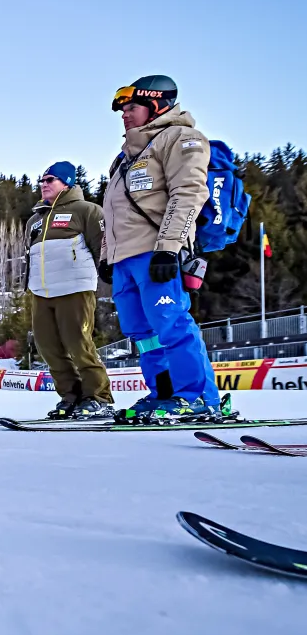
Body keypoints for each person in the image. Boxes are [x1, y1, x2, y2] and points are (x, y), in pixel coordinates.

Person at [102, 75, 221, 422]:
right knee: (143, 334)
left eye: (132, 107)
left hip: (156, 252)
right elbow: (112, 209)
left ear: (157, 106)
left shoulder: (181, 138)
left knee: (170, 323)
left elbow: (188, 195)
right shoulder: (124, 158)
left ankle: (198, 396)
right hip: (125, 259)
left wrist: (169, 249)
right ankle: (164, 393)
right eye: (122, 109)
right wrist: (107, 255)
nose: (125, 114)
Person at [25, 161, 114, 419]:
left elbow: (103, 248)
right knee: (48, 347)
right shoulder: (35, 219)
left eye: (50, 180)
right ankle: (71, 396)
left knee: (79, 344)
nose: (43, 184)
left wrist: (107, 273)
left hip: (75, 288)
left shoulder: (87, 211)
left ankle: (99, 397)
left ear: (67, 183)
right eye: (41, 180)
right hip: (42, 291)